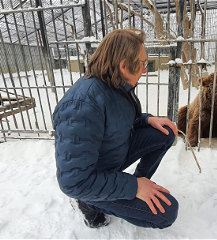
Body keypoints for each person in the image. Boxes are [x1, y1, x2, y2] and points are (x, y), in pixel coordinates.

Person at [52, 29, 179, 229]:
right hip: (92, 179)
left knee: (165, 133)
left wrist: (147, 120)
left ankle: (137, 186)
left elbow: (117, 121)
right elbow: (74, 182)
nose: (145, 70)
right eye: (143, 63)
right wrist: (132, 187)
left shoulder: (114, 84)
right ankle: (89, 202)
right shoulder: (80, 106)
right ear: (123, 65)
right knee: (166, 213)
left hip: (113, 153)